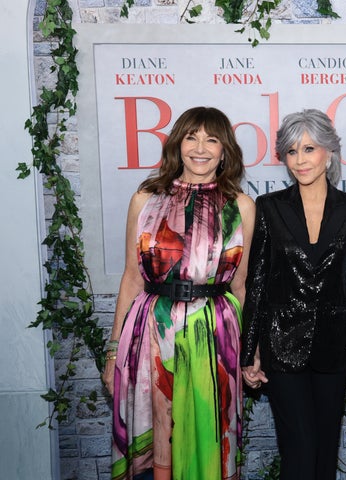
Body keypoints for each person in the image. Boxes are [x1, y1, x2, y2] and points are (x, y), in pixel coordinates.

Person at [101, 106, 255, 480]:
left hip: (215, 336)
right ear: (177, 143)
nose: (200, 148)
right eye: (191, 137)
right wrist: (112, 351)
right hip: (151, 332)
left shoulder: (241, 206)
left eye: (212, 139)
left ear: (224, 151)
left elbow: (241, 285)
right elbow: (132, 278)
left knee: (209, 433)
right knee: (155, 433)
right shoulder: (146, 199)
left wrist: (251, 352)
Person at [240, 109, 346, 480]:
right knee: (300, 451)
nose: (300, 160)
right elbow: (256, 283)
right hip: (281, 345)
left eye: (309, 148)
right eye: (291, 151)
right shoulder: (269, 208)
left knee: (323, 454)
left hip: (334, 349)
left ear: (330, 152)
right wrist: (249, 349)